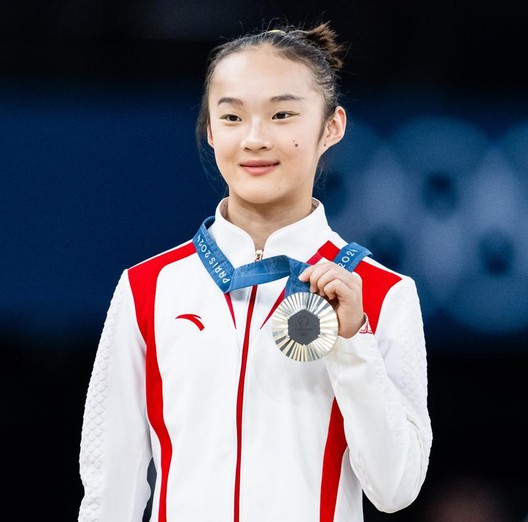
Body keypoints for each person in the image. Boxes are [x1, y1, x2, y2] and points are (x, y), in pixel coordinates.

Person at [78, 21, 432, 522]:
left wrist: (354, 345)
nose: (256, 138)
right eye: (232, 116)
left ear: (331, 127)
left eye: (283, 114)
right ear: (209, 130)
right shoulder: (149, 288)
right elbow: (109, 486)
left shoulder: (382, 294)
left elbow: (396, 488)